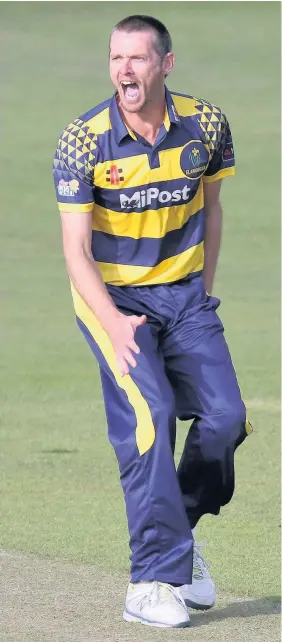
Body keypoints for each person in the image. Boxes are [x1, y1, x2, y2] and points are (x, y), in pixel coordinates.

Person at [52, 14, 252, 629]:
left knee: (225, 421)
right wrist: (113, 324)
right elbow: (75, 251)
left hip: (185, 296)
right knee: (152, 418)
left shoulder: (206, 124)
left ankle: (178, 537)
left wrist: (202, 296)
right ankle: (150, 580)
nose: (124, 70)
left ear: (166, 63)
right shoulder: (83, 139)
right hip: (114, 301)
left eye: (137, 59)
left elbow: (211, 212)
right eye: (116, 59)